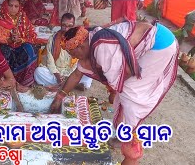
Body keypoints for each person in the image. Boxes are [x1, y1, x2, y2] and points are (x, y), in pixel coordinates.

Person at [50, 20, 179, 164]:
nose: (73, 57)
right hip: (155, 40)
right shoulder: (91, 41)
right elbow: (76, 74)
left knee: (131, 94)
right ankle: (124, 134)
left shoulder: (102, 47)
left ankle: (132, 147)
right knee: (123, 93)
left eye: (72, 53)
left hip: (159, 45)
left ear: (81, 46)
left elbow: (126, 74)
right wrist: (59, 97)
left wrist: (112, 88)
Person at [34, 13, 92, 90]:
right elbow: (50, 60)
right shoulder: (53, 39)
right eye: (64, 25)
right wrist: (57, 75)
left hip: (72, 72)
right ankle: (71, 85)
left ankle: (66, 84)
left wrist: (69, 76)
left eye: (69, 26)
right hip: (56, 73)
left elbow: (79, 59)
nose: (66, 29)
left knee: (89, 70)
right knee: (39, 72)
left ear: (73, 25)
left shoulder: (78, 39)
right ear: (60, 24)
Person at [0, 0, 38, 89]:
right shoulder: (0, 17)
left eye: (16, 6)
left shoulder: (23, 17)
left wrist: (21, 39)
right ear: (6, 5)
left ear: (19, 6)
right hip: (5, 46)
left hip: (19, 45)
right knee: (5, 51)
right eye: (10, 5)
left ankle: (25, 81)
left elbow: (31, 34)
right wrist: (9, 39)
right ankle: (6, 81)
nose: (13, 9)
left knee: (30, 49)